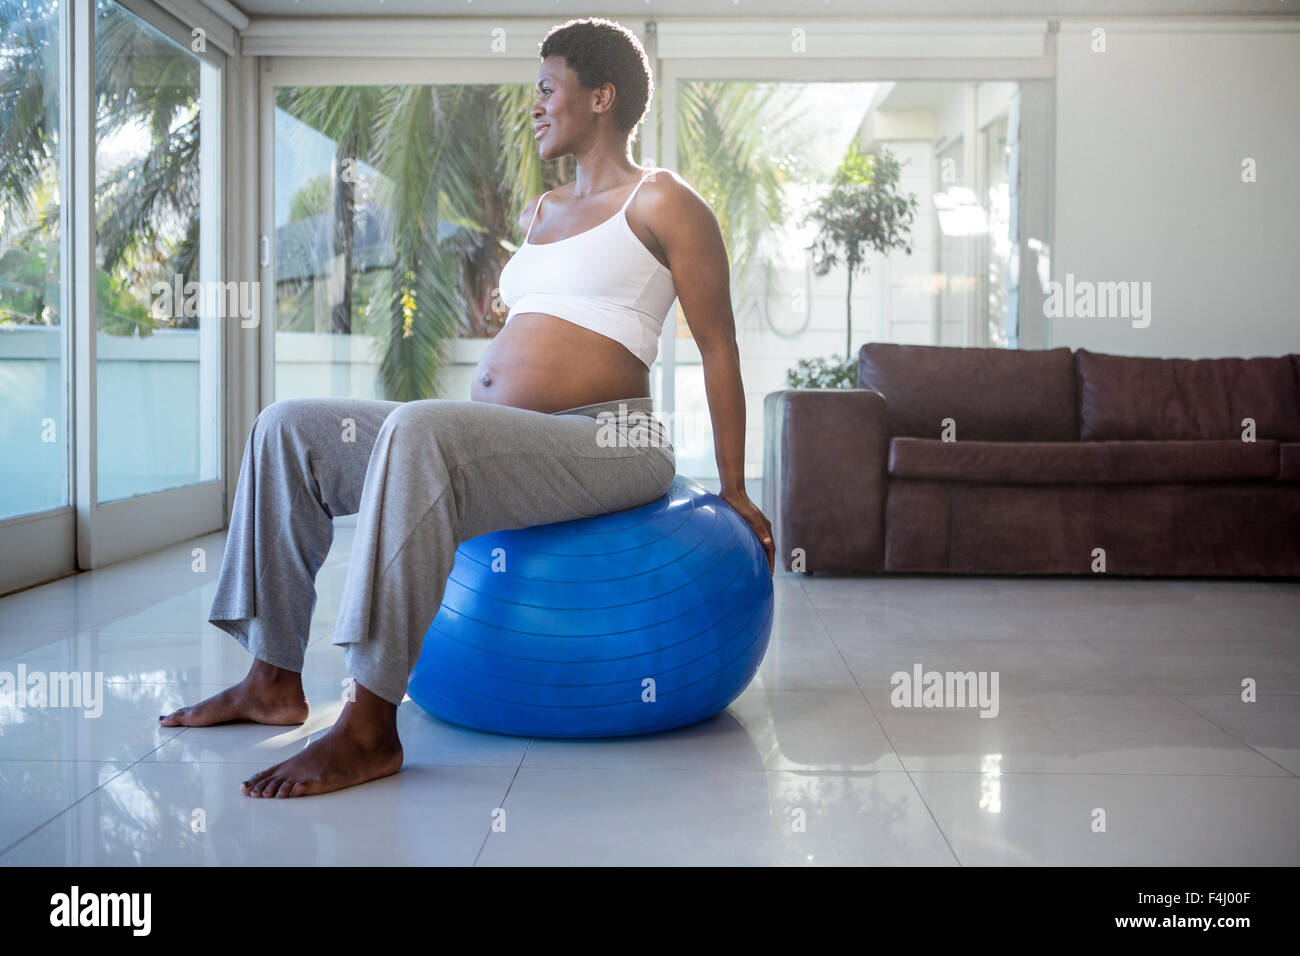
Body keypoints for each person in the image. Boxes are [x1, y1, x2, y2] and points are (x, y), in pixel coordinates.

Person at [159, 16, 775, 798]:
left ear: (602, 96)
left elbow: (719, 347)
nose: (535, 105)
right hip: (511, 439)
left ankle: (370, 725)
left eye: (548, 89)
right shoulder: (539, 214)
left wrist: (735, 487)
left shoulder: (664, 201)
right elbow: (552, 315)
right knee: (287, 430)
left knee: (420, 429)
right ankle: (271, 676)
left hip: (611, 438)